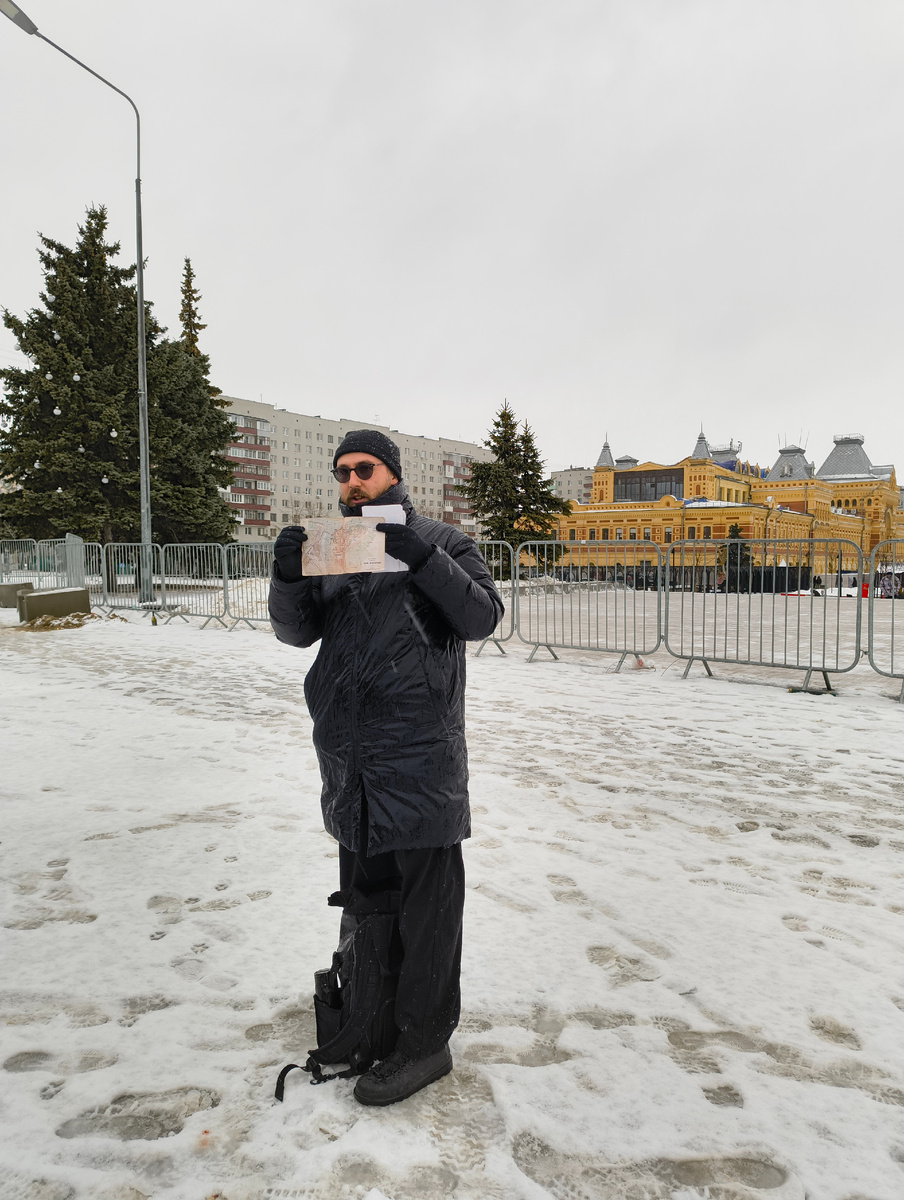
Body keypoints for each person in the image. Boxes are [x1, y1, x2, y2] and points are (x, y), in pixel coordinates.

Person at [268, 429, 503, 1106]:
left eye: (363, 469)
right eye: (341, 472)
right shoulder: (335, 549)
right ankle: (372, 1021)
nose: (351, 482)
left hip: (419, 759)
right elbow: (296, 631)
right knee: (369, 903)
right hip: (351, 759)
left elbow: (481, 615)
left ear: (392, 473)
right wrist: (287, 576)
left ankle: (425, 1042)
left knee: (428, 912)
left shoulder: (442, 542)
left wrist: (420, 554)